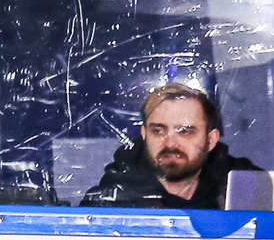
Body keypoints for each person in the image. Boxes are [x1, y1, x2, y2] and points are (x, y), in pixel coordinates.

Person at [81, 82, 258, 209]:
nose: (170, 143)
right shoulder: (112, 199)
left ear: (210, 140)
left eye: (185, 132)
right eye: (158, 131)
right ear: (144, 135)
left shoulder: (246, 189)